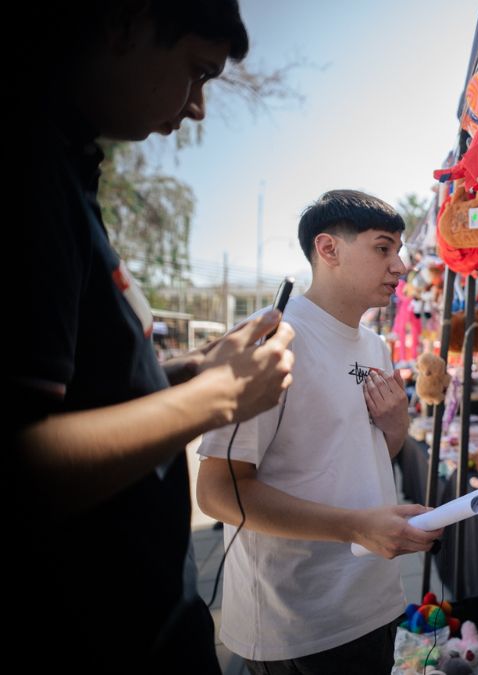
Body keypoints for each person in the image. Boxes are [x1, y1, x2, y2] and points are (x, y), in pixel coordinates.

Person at [9, 2, 295, 672]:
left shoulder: (68, 167)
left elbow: (82, 394)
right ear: (123, 23)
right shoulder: (30, 170)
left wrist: (183, 374)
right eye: (196, 72)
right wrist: (217, 397)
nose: (196, 107)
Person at [196, 190, 443, 674]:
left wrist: (394, 427)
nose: (400, 267)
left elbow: (355, 455)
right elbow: (218, 493)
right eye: (382, 248)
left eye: (398, 250)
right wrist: (353, 527)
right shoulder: (273, 339)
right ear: (328, 249)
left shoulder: (376, 347)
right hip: (298, 619)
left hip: (374, 596)